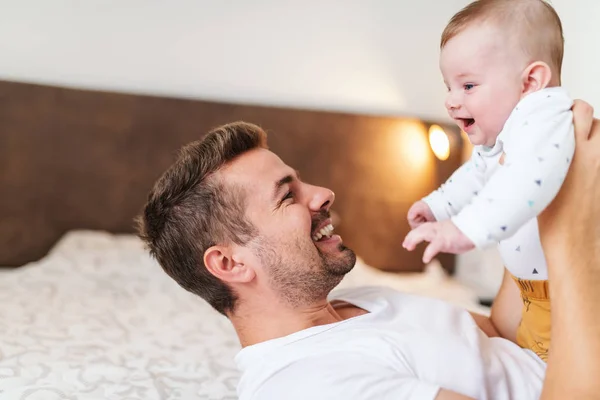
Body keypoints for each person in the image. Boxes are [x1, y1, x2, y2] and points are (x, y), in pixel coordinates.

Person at [136, 99, 598, 399]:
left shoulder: (362, 304)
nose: (322, 194)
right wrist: (573, 237)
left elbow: (500, 335)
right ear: (230, 263)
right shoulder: (306, 384)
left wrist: (532, 208)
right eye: (287, 196)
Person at [403, 0, 571, 362]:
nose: (450, 101)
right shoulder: (509, 135)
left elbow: (526, 181)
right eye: (449, 86)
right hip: (535, 298)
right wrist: (438, 205)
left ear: (530, 82)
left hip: (568, 301)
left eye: (467, 85)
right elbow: (477, 175)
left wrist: (463, 229)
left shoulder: (546, 119)